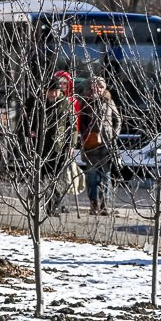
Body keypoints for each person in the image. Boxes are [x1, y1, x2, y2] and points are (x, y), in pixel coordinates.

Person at [23, 78, 77, 216]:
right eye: (51, 92)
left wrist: (71, 144)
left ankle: (52, 207)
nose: (53, 94)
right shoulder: (37, 103)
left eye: (56, 91)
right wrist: (30, 131)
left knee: (55, 179)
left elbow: (72, 126)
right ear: (46, 92)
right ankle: (33, 203)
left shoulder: (66, 104)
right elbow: (25, 119)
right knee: (38, 178)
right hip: (39, 147)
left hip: (58, 147)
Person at [80, 76, 121, 215]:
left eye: (101, 86)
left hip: (107, 146)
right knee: (91, 176)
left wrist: (113, 135)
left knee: (106, 176)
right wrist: (87, 134)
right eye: (96, 86)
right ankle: (93, 204)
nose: (99, 89)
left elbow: (118, 120)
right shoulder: (85, 102)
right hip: (90, 146)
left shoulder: (109, 102)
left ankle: (105, 205)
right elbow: (80, 122)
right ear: (91, 87)